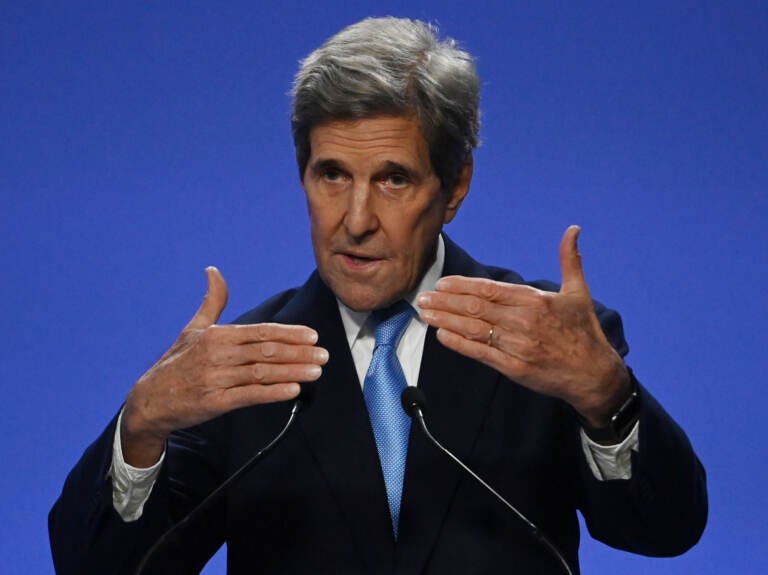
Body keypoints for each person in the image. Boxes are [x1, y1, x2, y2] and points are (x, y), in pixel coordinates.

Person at [49, 16, 707, 575]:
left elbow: (665, 528)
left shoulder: (549, 343)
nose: (356, 218)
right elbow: (96, 565)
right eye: (331, 174)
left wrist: (608, 398)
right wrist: (140, 428)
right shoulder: (243, 369)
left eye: (393, 179)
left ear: (454, 188)